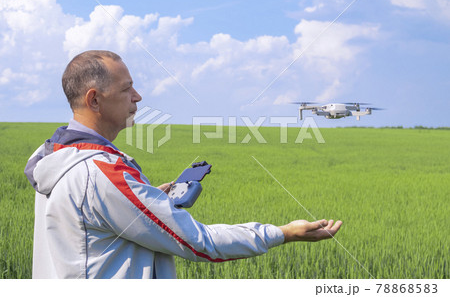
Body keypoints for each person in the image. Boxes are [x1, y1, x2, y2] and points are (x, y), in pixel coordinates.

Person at [24, 50, 342, 279]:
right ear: (95, 100)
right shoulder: (103, 173)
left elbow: (91, 223)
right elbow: (199, 243)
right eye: (126, 89)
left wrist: (143, 199)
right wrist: (284, 233)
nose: (138, 97)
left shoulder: (54, 156)